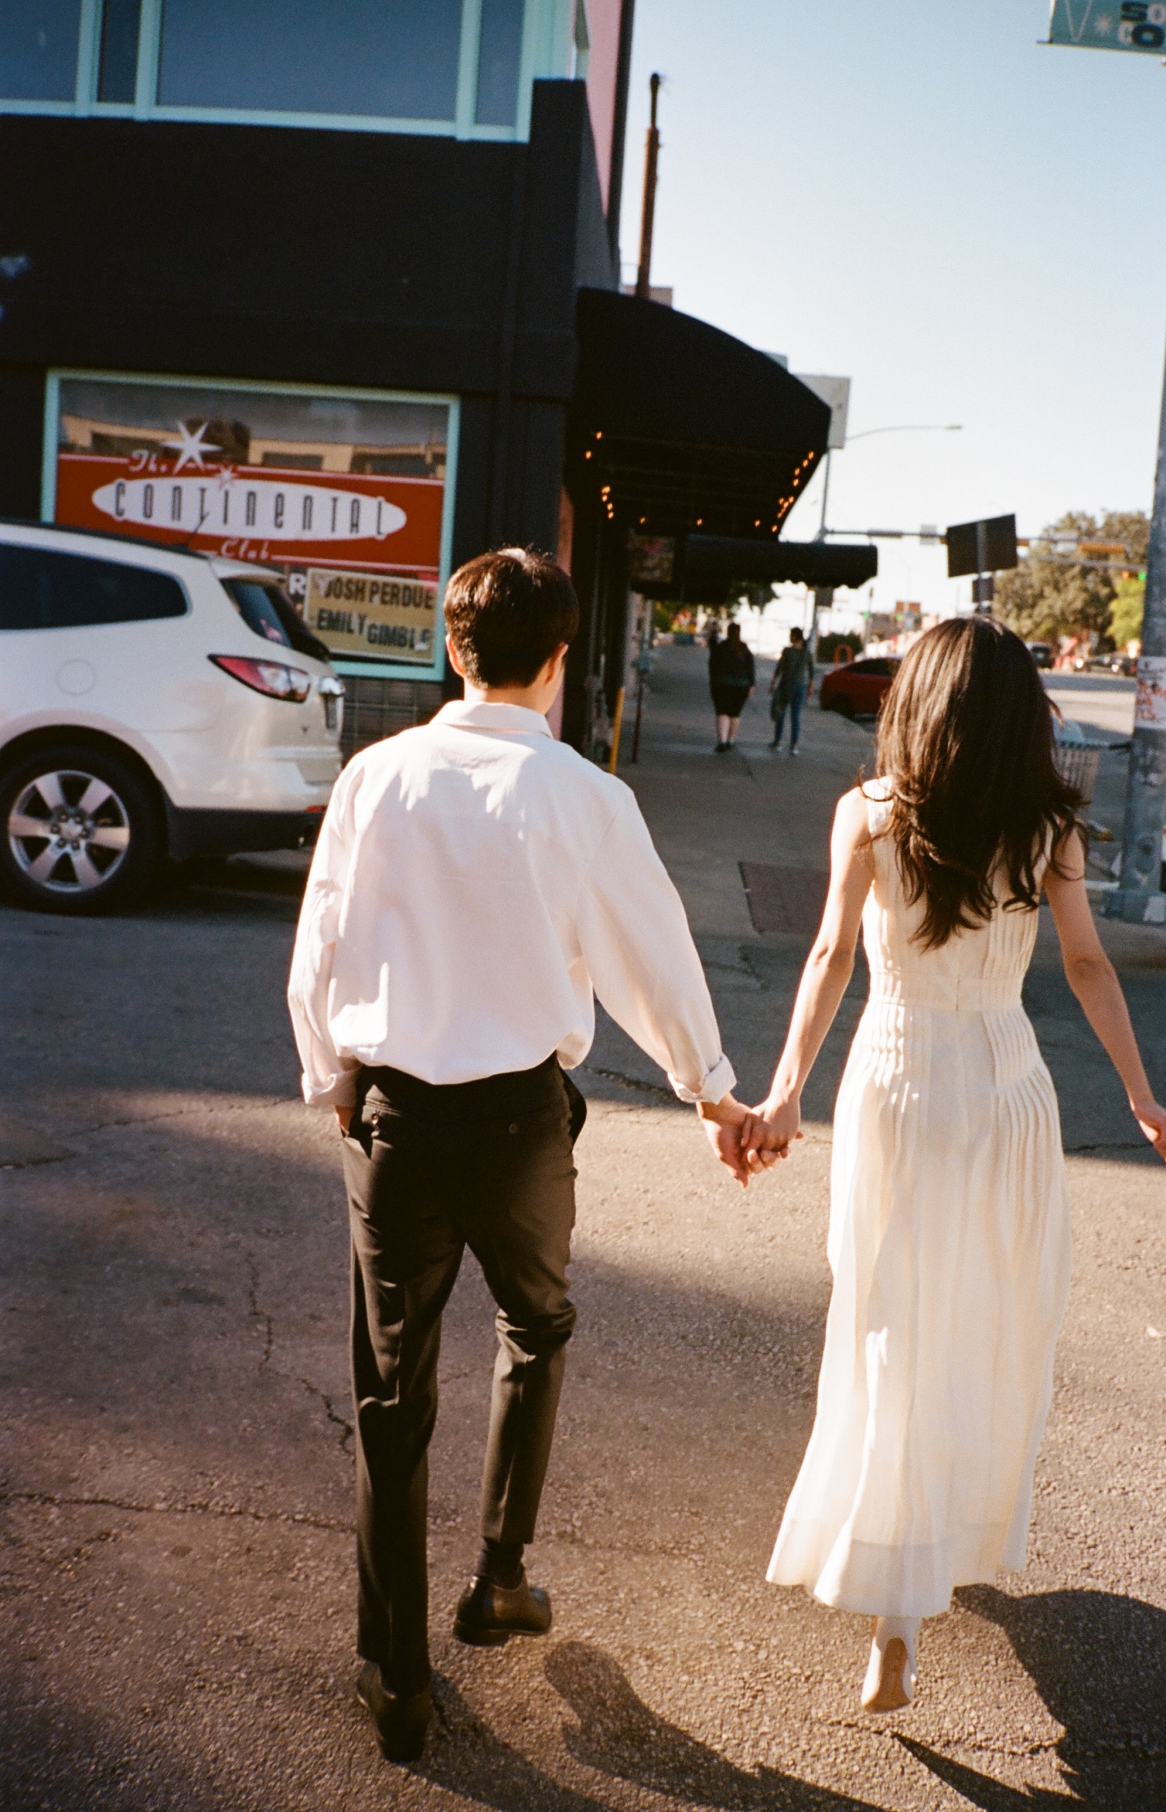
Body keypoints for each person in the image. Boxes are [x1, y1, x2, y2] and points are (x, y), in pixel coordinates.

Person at [288, 548, 762, 1766]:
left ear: (456, 650)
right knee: (536, 1328)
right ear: (558, 665)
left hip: (394, 1119)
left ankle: (396, 1681)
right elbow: (654, 952)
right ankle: (501, 1573)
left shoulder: (374, 777)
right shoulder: (585, 797)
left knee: (391, 1401)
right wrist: (711, 1091)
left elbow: (321, 948)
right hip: (522, 1125)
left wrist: (334, 1083)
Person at [749, 617, 1166, 1713]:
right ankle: (945, 1542)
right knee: (985, 1323)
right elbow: (1085, 963)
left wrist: (784, 1091)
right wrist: (1142, 1096)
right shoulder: (1049, 829)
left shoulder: (868, 815)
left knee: (888, 1320)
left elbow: (830, 957)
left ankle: (892, 1609)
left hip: (896, 1082)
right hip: (1005, 1090)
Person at [708, 620, 756, 752]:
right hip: (741, 686)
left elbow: (712, 665)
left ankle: (722, 741)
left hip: (721, 683)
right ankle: (731, 740)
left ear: (727, 632)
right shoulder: (744, 649)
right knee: (735, 714)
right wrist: (751, 685)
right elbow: (750, 667)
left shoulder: (721, 647)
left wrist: (712, 682)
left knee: (722, 712)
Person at [769, 627, 815, 754]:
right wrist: (810, 687)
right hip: (800, 687)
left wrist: (773, 683)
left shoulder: (788, 651)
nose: (790, 637)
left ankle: (778, 742)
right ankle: (794, 745)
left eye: (791, 635)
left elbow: (780, 668)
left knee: (781, 714)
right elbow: (811, 672)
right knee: (795, 716)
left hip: (785, 686)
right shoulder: (807, 653)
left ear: (795, 636)